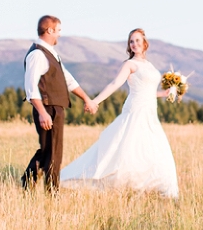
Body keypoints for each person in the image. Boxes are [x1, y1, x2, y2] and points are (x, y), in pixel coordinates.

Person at [60, 28, 179, 198]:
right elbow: (115, 84)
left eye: (137, 40)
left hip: (150, 111)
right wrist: (95, 101)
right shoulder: (129, 64)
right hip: (136, 109)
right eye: (131, 41)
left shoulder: (150, 65)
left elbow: (147, 90)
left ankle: (153, 187)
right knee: (129, 146)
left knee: (151, 147)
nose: (134, 44)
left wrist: (163, 94)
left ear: (145, 43)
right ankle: (123, 183)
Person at [22, 15, 98, 193]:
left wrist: (86, 99)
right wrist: (42, 112)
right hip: (47, 109)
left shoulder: (50, 53)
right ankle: (51, 192)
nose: (59, 35)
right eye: (58, 31)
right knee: (53, 153)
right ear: (49, 30)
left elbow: (67, 79)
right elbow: (31, 87)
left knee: (50, 151)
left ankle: (27, 182)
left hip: (54, 109)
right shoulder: (37, 54)